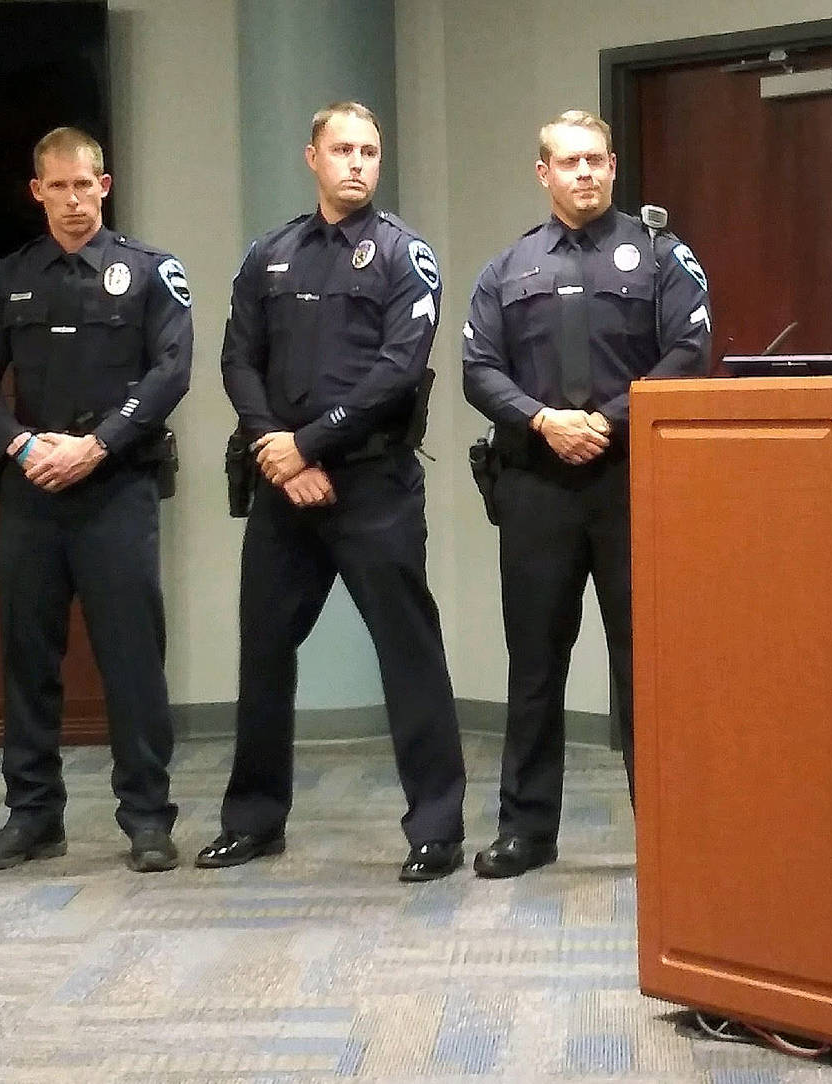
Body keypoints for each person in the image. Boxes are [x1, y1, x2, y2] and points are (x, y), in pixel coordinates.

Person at [203, 102, 468, 882]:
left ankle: (435, 828)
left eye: (370, 151)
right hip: (283, 483)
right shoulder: (269, 255)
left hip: (373, 485)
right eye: (342, 149)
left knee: (408, 651)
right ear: (311, 157)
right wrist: (274, 450)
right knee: (263, 651)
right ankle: (253, 819)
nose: (357, 162)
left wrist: (309, 443)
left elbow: (396, 372)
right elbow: (235, 359)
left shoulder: (402, 256)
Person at [460, 109, 712, 879]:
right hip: (536, 484)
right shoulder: (508, 269)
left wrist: (604, 421)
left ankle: (664, 832)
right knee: (534, 663)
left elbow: (689, 351)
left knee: (647, 662)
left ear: (612, 166)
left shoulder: (663, 257)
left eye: (597, 160)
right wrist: (544, 421)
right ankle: (526, 831)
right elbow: (480, 371)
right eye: (569, 162)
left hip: (631, 479)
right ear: (543, 173)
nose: (586, 174)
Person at [0, 127, 193, 874]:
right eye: (55, 187)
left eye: (82, 185)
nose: (70, 200)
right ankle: (32, 817)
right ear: (38, 192)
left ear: (104, 185)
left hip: (115, 487)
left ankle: (148, 819)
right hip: (31, 490)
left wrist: (99, 446)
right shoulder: (11, 277)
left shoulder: (150, 271)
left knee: (131, 661)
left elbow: (171, 371)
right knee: (29, 658)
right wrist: (19, 444)